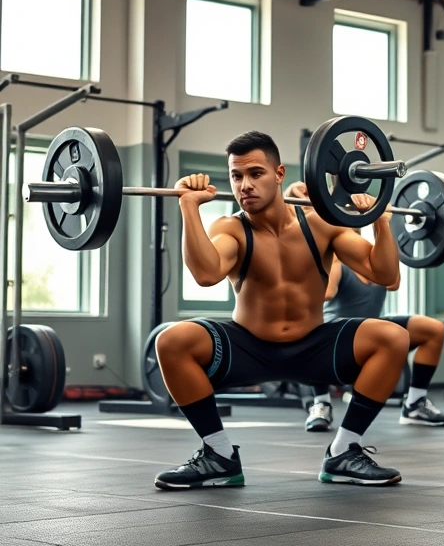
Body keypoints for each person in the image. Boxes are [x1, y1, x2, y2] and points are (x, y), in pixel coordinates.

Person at [153, 131, 410, 490]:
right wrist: (188, 207)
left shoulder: (321, 224)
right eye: (236, 176)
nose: (245, 185)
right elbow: (207, 273)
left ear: (278, 174)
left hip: (314, 348)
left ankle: (344, 451)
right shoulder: (232, 228)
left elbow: (385, 273)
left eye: (255, 174)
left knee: (393, 337)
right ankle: (219, 455)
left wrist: (379, 220)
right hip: (248, 348)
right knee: (171, 341)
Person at [283, 181, 444, 431]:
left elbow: (393, 281)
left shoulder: (371, 253)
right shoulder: (335, 258)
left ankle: (415, 404)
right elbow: (327, 292)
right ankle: (320, 403)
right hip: (336, 330)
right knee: (311, 329)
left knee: (433, 329)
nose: (350, 222)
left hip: (371, 327)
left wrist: (381, 220)